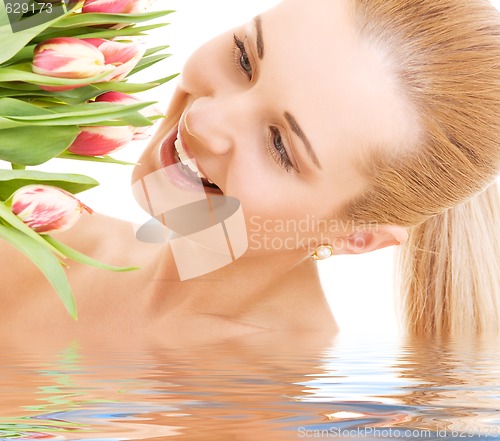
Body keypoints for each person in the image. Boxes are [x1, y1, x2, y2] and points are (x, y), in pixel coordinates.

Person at [1, 0, 500, 341]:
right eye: (243, 58)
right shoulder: (39, 227)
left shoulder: (261, 405)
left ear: (360, 236)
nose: (203, 120)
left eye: (281, 146)